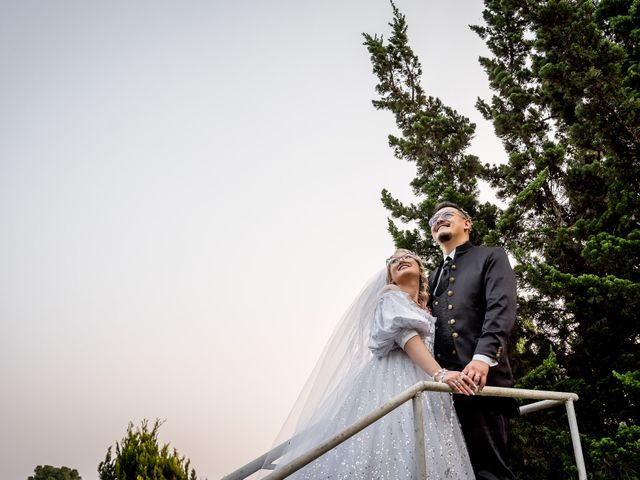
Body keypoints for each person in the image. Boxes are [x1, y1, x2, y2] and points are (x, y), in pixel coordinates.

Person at [262, 249, 476, 479]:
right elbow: (406, 337)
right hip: (394, 380)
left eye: (406, 256)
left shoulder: (424, 307)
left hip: (421, 380)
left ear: (420, 269)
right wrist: (441, 374)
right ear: (390, 277)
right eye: (393, 261)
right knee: (390, 442)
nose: (400, 260)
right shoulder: (391, 295)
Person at [428, 201, 518, 480]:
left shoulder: (491, 256)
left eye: (446, 215)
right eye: (433, 220)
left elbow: (500, 307)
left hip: (481, 383)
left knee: (490, 472)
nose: (439, 220)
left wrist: (482, 358)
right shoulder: (431, 277)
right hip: (442, 393)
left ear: (467, 223)